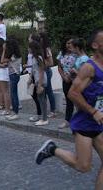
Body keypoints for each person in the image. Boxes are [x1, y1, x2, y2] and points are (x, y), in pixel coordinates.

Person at [35, 29, 103, 189]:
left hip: (100, 123)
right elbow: (73, 93)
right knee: (83, 166)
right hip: (86, 123)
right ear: (95, 45)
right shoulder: (89, 68)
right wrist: (93, 111)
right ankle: (52, 149)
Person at [57, 37, 77, 129]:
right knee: (68, 100)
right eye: (67, 43)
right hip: (65, 80)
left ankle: (80, 119)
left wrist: (70, 76)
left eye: (70, 43)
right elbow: (59, 66)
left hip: (75, 80)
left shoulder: (76, 54)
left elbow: (79, 66)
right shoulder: (62, 53)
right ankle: (67, 120)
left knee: (78, 100)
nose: (68, 45)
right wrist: (64, 76)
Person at [2, 37, 22, 120]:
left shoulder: (13, 56)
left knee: (13, 94)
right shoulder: (15, 55)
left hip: (14, 75)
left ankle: (16, 113)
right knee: (13, 94)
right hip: (13, 75)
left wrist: (3, 50)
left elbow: (2, 60)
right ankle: (14, 112)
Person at [29, 40, 48, 126]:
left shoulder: (38, 57)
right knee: (40, 99)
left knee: (42, 100)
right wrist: (30, 78)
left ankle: (44, 119)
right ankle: (42, 117)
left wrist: (40, 85)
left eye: (29, 47)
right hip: (37, 80)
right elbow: (34, 70)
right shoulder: (34, 57)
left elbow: (41, 71)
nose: (28, 49)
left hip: (41, 81)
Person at [40, 32, 56, 118]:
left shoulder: (47, 49)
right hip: (43, 71)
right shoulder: (41, 49)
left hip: (47, 71)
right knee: (44, 92)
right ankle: (45, 110)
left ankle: (53, 111)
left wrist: (42, 65)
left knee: (49, 91)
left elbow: (51, 63)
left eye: (40, 38)